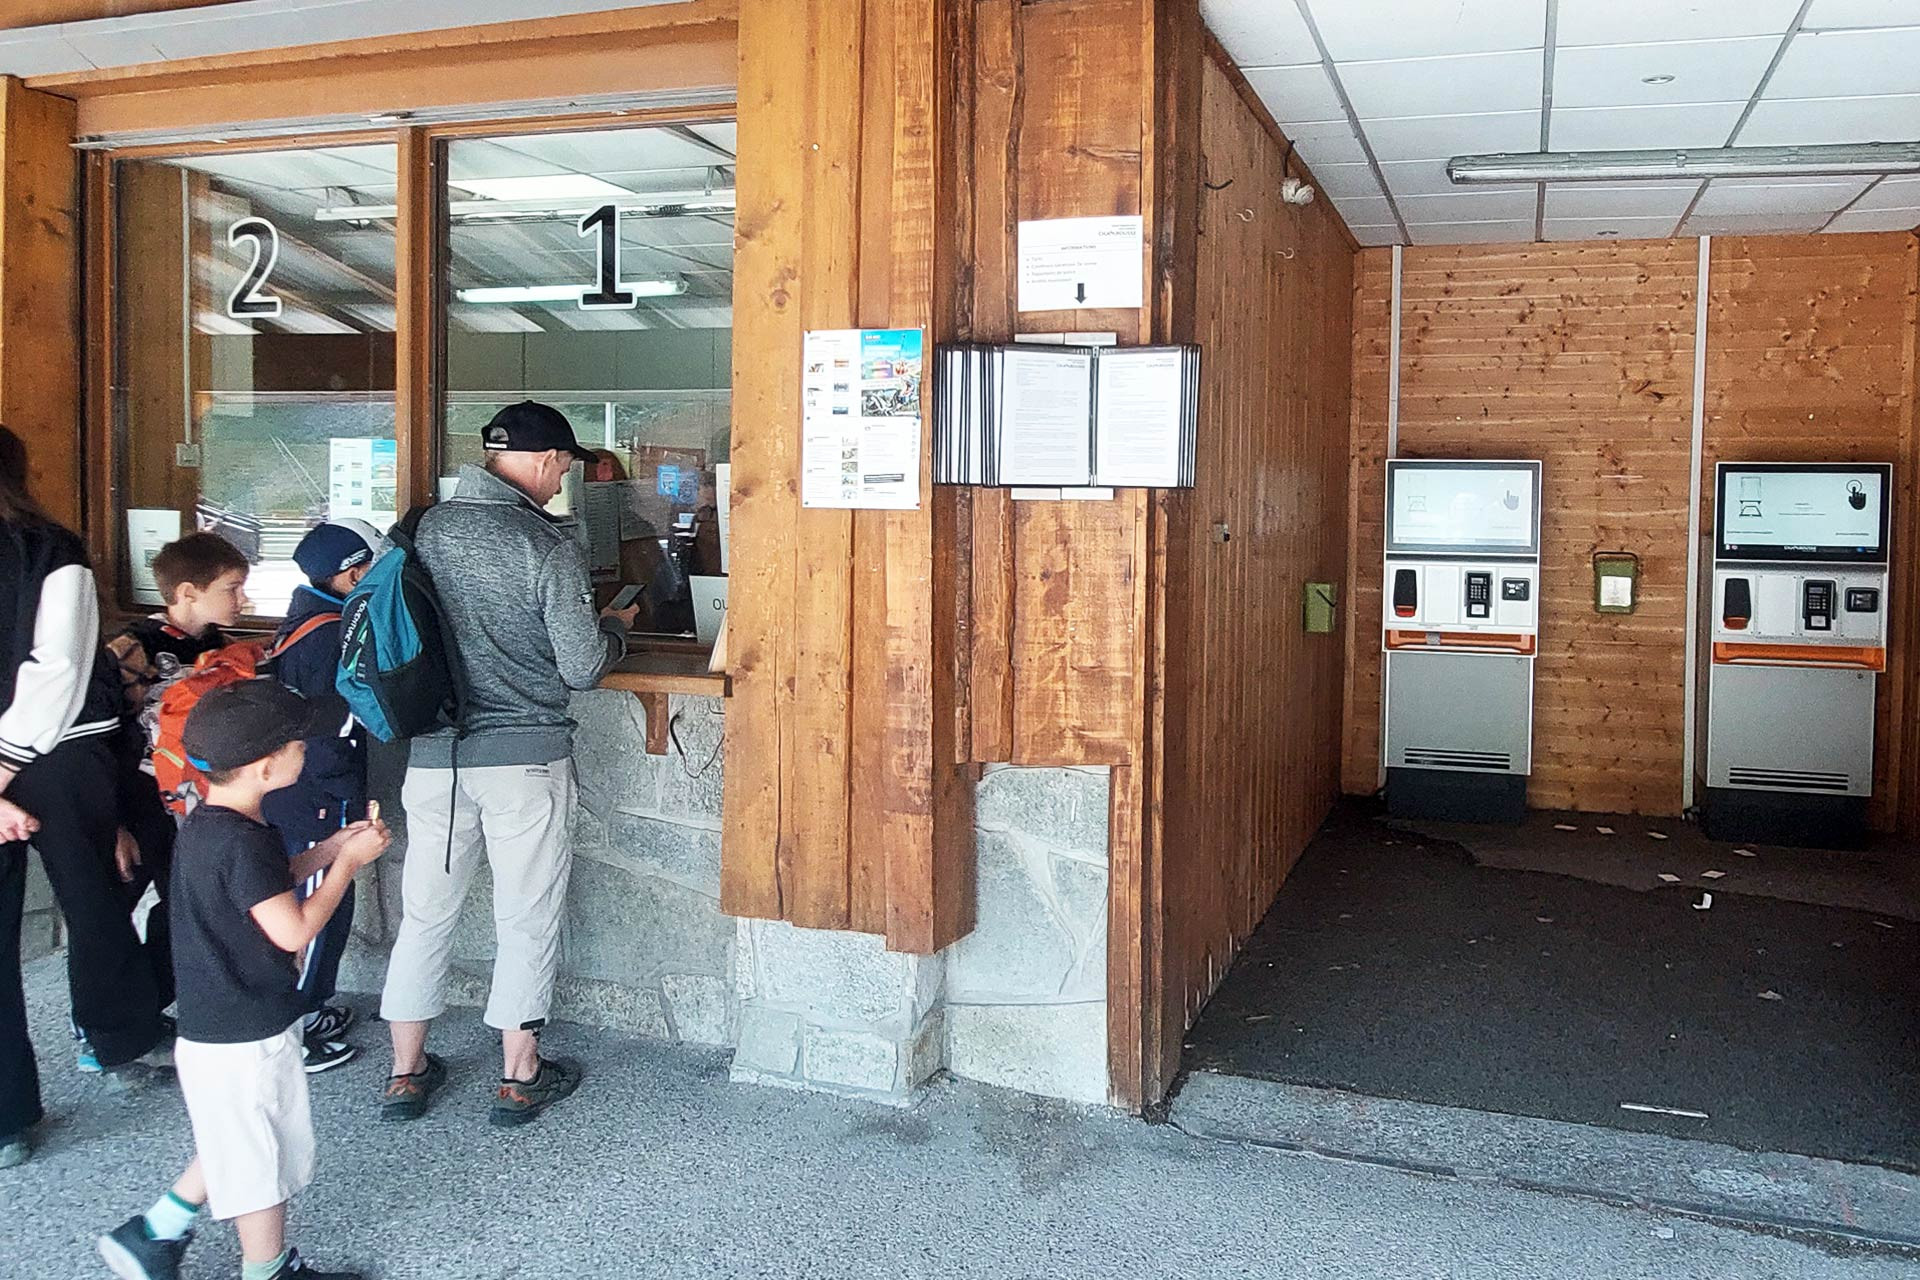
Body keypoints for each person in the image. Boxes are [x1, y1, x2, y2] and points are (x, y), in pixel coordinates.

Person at [378, 401, 636, 1126]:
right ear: (545, 459)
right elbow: (582, 667)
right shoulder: (543, 545)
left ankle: (405, 1070)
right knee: (525, 912)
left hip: (433, 756)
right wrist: (614, 631)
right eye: (563, 467)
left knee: (425, 909)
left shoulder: (420, 528)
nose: (562, 483)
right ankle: (519, 1074)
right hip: (523, 758)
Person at [96, 679, 388, 1280]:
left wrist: (332, 846)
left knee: (234, 1132)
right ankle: (267, 1268)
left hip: (213, 1024)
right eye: (298, 744)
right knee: (260, 1159)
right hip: (245, 1032)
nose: (306, 750)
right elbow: (292, 929)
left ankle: (156, 1233)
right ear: (263, 767)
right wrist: (349, 869)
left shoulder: (212, 824)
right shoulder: (244, 841)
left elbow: (261, 886)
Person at [0, 425, 169, 1168]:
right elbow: (57, 666)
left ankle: (8, 1115)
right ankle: (113, 1038)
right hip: (60, 755)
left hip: (24, 760)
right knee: (98, 900)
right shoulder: (49, 548)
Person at [88, 529, 253, 1071]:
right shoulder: (129, 650)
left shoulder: (224, 651)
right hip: (137, 805)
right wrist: (112, 822)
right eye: (232, 588)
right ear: (186, 592)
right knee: (112, 913)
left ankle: (153, 1009)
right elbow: (102, 741)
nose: (243, 601)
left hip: (195, 807)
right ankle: (104, 1030)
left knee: (182, 907)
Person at [261, 520, 381, 1075]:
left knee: (327, 899)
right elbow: (341, 719)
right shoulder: (332, 632)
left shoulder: (301, 618)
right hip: (320, 789)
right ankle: (296, 1023)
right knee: (316, 904)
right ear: (351, 573)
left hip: (305, 786)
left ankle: (311, 1007)